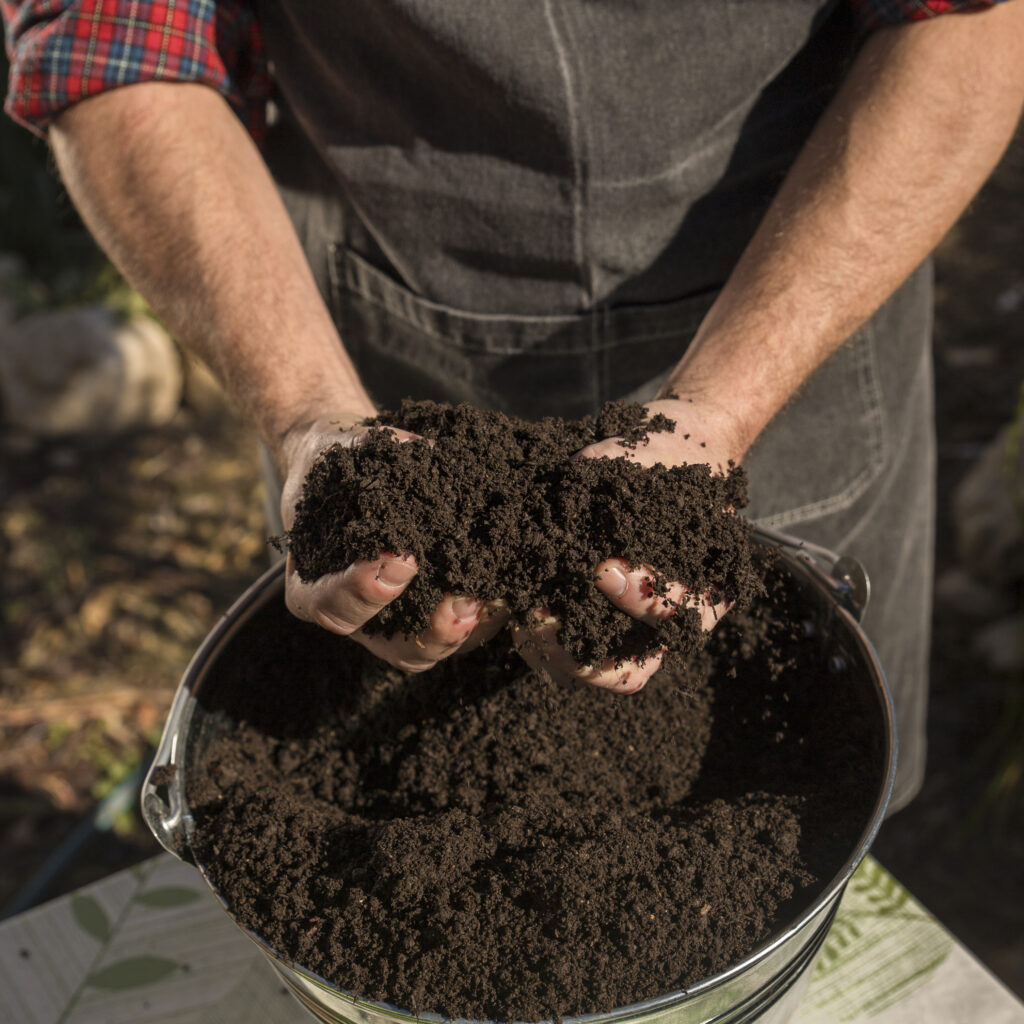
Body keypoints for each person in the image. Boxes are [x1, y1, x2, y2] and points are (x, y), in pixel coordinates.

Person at [4, 0, 1023, 812]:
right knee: (391, 755)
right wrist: (311, 412)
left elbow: (967, 21)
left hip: (786, 296)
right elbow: (115, 42)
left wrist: (722, 406)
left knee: (783, 782)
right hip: (373, 329)